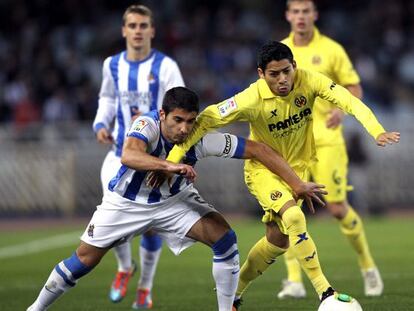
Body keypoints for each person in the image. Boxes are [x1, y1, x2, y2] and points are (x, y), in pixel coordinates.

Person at [26, 86, 326, 311]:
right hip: (126, 203)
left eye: (190, 121)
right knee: (83, 261)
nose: (183, 129)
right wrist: (170, 165)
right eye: (178, 120)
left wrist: (296, 183)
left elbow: (259, 150)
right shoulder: (146, 125)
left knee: (225, 239)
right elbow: (130, 155)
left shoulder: (201, 136)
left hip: (174, 202)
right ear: (163, 115)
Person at [164, 42, 400, 310]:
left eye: (286, 71)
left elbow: (348, 100)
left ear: (294, 67)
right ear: (261, 74)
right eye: (274, 74)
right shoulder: (250, 99)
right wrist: (171, 161)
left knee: (277, 241)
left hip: (297, 170)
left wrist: (376, 130)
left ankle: (234, 294)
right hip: (263, 170)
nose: (283, 79)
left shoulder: (309, 81)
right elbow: (206, 119)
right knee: (294, 216)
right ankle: (325, 292)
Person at [277, 0, 384, 298]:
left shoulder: (332, 49)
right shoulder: (281, 51)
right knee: (288, 208)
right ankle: (294, 280)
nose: (300, 17)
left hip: (327, 140)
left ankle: (367, 265)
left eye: (305, 11)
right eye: (295, 11)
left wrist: (342, 110)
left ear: (314, 15)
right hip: (292, 141)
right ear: (288, 15)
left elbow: (354, 87)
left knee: (337, 208)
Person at [93, 4, 184, 308]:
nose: (137, 31)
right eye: (132, 26)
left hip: (155, 159)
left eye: (143, 26)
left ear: (152, 30)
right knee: (113, 219)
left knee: (151, 225)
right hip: (119, 154)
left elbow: (180, 109)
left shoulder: (166, 67)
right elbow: (107, 97)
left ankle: (145, 288)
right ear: (124, 30)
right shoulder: (112, 65)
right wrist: (101, 123)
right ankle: (123, 267)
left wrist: (172, 159)